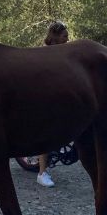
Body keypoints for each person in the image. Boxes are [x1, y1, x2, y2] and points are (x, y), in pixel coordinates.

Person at [36, 21, 70, 188]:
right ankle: (42, 173)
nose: (68, 39)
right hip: (45, 97)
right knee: (46, 133)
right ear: (56, 37)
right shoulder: (45, 53)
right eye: (65, 36)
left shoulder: (64, 51)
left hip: (59, 96)